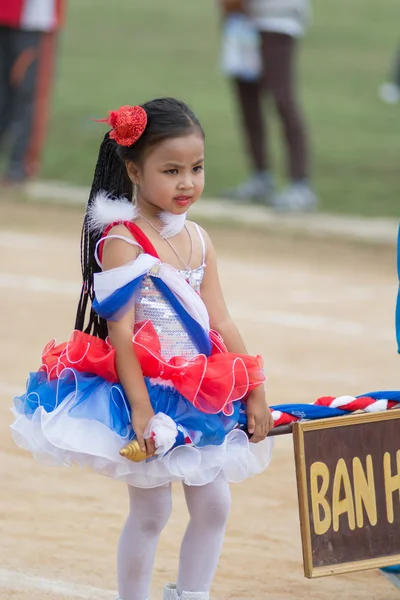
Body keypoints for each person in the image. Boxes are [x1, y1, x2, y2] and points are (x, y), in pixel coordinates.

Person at [11, 98, 274, 600]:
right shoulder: (122, 241)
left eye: (196, 169)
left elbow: (221, 319)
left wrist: (255, 389)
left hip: (201, 390)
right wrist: (142, 412)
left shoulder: (199, 238)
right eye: (170, 170)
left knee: (215, 505)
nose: (186, 183)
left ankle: (192, 594)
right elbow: (121, 334)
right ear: (134, 169)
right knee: (153, 511)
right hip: (147, 394)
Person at [220, 0, 317, 211]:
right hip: (241, 22)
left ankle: (300, 184)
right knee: (247, 101)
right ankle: (260, 176)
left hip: (277, 19)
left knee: (282, 99)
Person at [0, 0, 65, 184]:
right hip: (26, 15)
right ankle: (20, 166)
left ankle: (18, 166)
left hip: (32, 15)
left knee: (25, 93)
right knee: (27, 95)